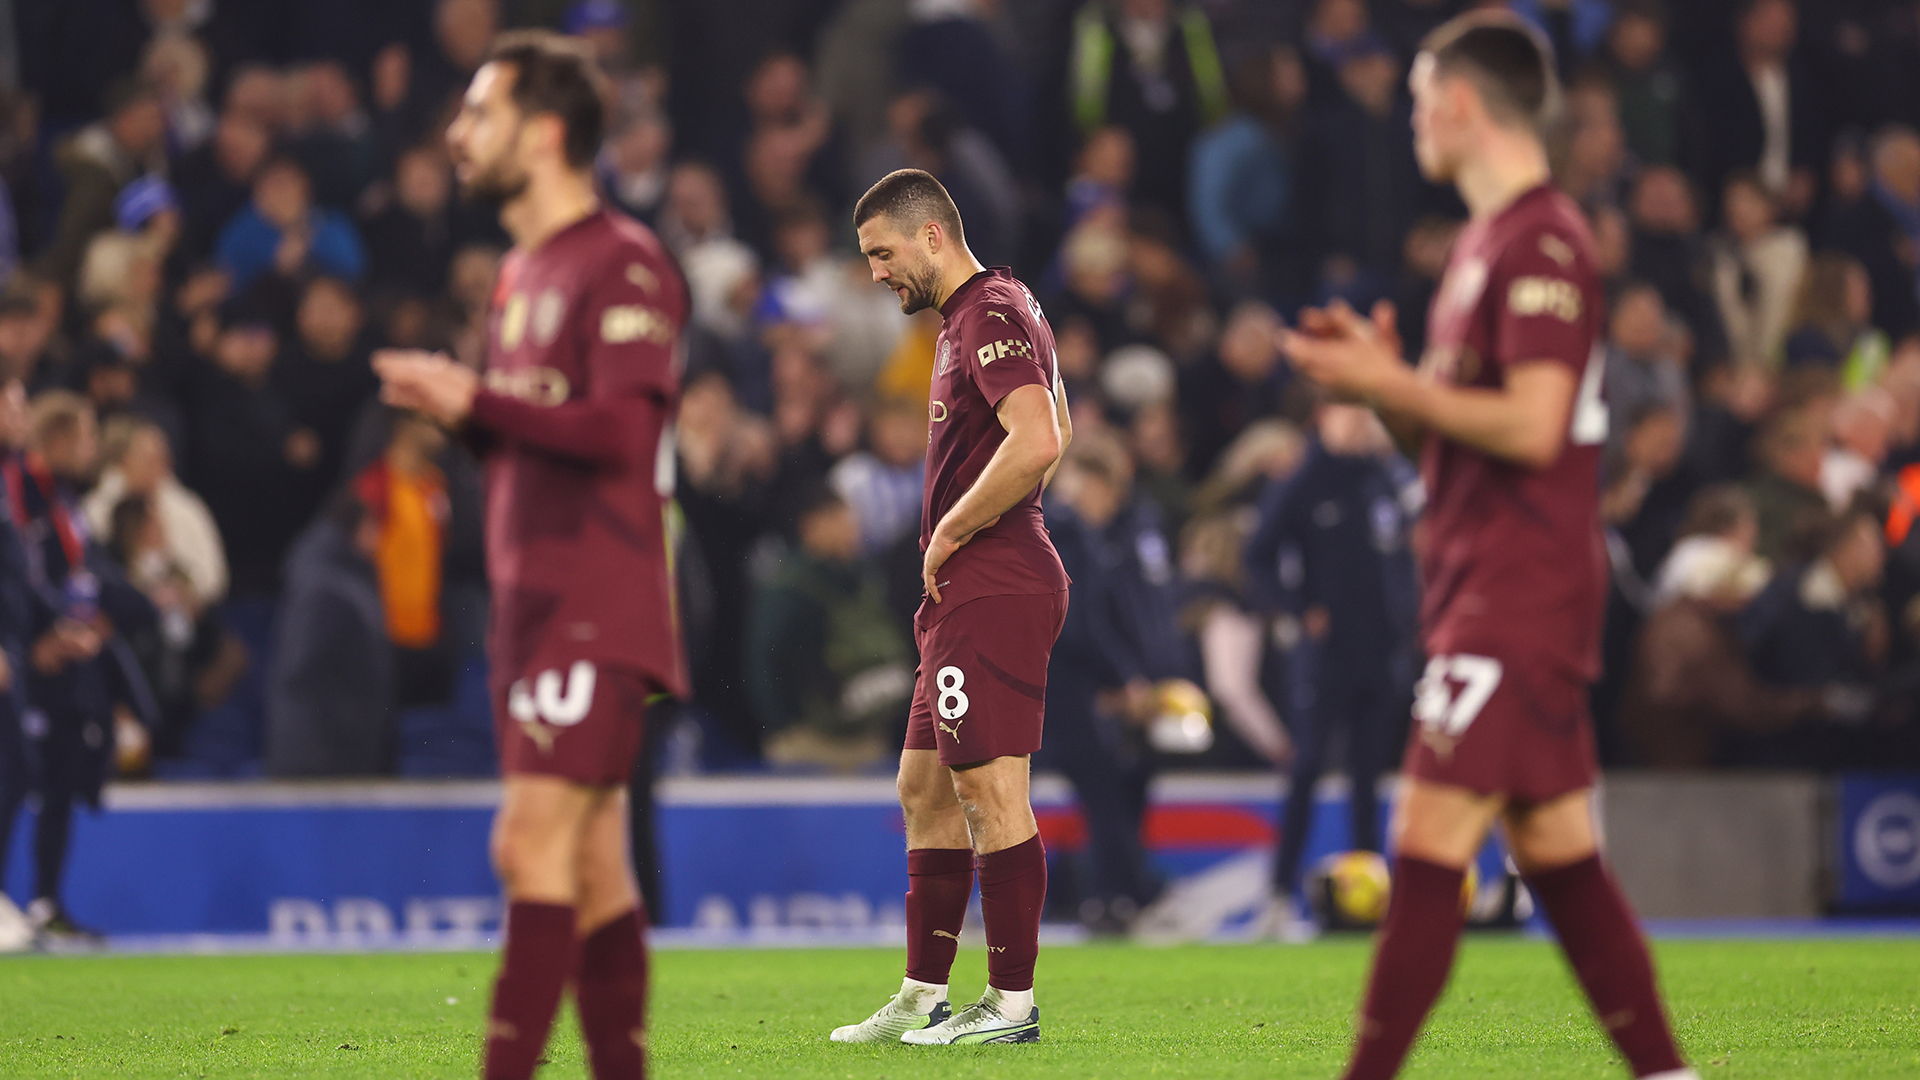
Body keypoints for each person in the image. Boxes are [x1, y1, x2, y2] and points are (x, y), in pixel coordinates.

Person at [1277, 15, 1696, 1079]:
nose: (1414, 119)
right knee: (1556, 853)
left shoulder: (1543, 239)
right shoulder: (1480, 246)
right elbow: (1457, 436)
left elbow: (1533, 426)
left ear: (1462, 104)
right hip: (1486, 576)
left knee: (1426, 834)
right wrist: (1390, 390)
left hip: (1521, 584)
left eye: (1421, 99)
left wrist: (1396, 385)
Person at [373, 32, 686, 1080]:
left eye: (480, 113)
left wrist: (478, 399)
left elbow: (624, 437)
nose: (458, 134)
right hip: (531, 599)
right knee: (595, 869)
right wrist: (465, 415)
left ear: (545, 133)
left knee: (528, 845)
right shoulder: (518, 273)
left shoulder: (623, 260)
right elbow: (534, 431)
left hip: (594, 593)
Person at [831, 168, 1070, 1046]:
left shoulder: (987, 313)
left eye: (882, 253)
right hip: (971, 586)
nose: (875, 273)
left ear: (932, 235)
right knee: (924, 785)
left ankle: (1012, 1005)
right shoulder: (994, 310)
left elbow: (1038, 439)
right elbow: (1062, 431)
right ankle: (923, 989)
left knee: (988, 788)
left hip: (992, 581)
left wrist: (952, 529)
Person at [1244, 402, 1419, 925]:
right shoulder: (1305, 480)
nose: (1360, 422)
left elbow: (1408, 545)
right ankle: (1277, 895)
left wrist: (1408, 621)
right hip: (1324, 658)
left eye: (1366, 412)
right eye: (1349, 411)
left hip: (1381, 653)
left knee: (1369, 779)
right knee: (1308, 767)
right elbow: (1258, 554)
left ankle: (1369, 897)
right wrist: (1299, 610)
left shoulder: (1383, 475)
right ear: (1323, 416)